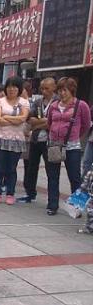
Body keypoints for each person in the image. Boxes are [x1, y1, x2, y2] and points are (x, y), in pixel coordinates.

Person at [46, 77, 91, 215]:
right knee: (53, 176)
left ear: (71, 90)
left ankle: (76, 207)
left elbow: (85, 124)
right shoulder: (54, 105)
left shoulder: (80, 105)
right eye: (60, 90)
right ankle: (52, 205)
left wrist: (74, 135)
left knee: (74, 177)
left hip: (72, 146)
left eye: (65, 90)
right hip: (54, 144)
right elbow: (49, 122)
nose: (62, 93)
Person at [0, 76, 30, 205]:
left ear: (19, 89)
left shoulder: (24, 102)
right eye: (9, 86)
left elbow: (23, 118)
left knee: (11, 168)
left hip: (17, 139)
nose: (11, 89)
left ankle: (10, 193)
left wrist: (5, 117)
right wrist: (14, 120)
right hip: (0, 138)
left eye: (14, 87)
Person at [18, 77, 57, 204]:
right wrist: (44, 122)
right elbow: (30, 119)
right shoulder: (38, 101)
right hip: (35, 139)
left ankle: (52, 201)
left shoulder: (58, 102)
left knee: (51, 170)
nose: (44, 91)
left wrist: (40, 123)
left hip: (52, 142)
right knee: (31, 168)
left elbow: (54, 122)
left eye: (47, 88)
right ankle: (30, 193)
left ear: (54, 88)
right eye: (42, 88)